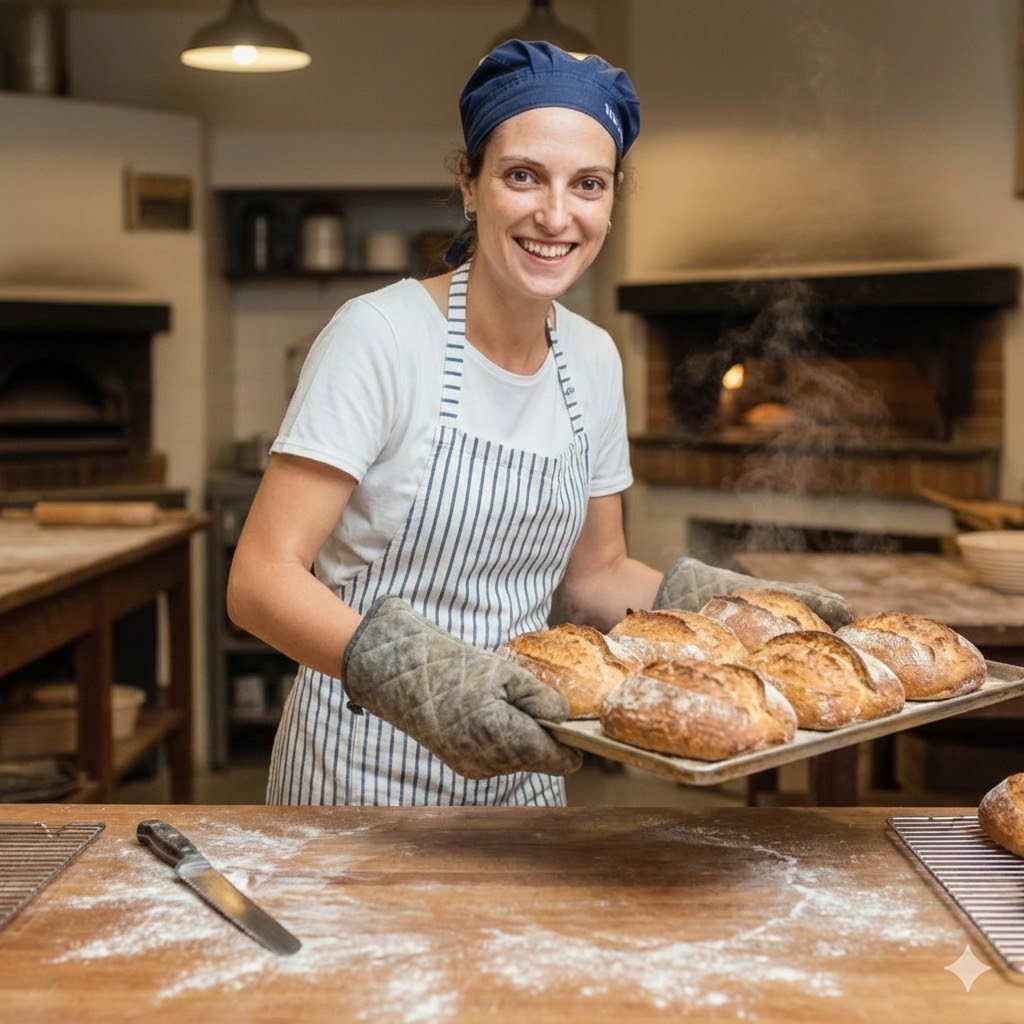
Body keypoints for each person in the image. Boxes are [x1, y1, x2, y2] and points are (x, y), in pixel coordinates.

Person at [227, 39, 853, 808]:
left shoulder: (592, 358)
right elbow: (259, 580)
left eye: (587, 184)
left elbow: (596, 577)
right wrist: (420, 679)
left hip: (525, 769)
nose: (556, 216)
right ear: (470, 185)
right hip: (359, 776)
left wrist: (734, 613)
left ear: (612, 200)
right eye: (523, 175)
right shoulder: (379, 337)